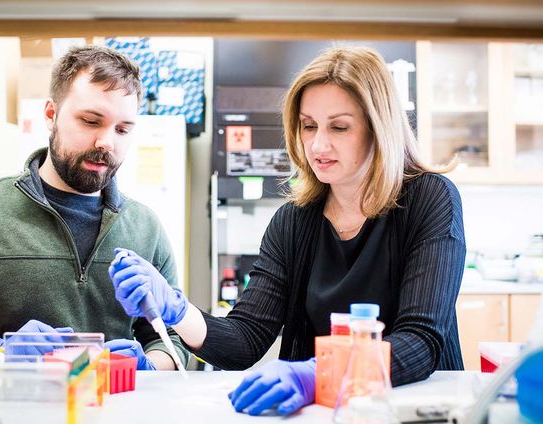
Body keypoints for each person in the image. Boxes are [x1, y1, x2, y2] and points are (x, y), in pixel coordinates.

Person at [109, 46, 466, 413]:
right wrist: (176, 311)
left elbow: (420, 341)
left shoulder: (429, 198)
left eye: (339, 127)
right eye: (308, 126)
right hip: (325, 411)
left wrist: (316, 373)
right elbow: (245, 339)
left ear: (379, 129)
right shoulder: (294, 222)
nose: (318, 144)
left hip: (418, 410)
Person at [0, 45, 189, 371]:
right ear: (51, 115)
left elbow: (171, 338)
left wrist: (150, 365)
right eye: (90, 121)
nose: (107, 142)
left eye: (122, 129)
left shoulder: (144, 228)